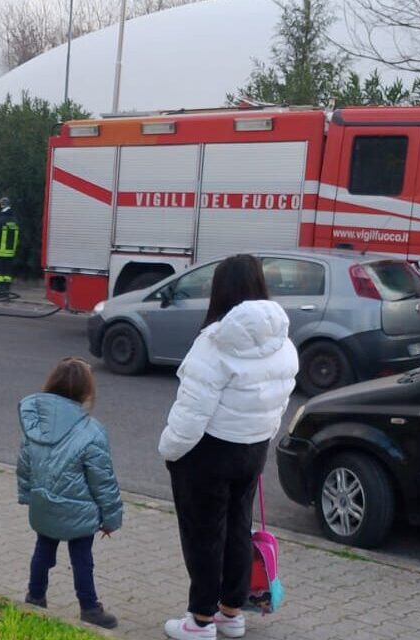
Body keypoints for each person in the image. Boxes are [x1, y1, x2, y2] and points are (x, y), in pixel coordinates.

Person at [157, 254, 298, 640]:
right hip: (251, 449)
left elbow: (191, 413)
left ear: (220, 290)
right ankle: (231, 614)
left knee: (204, 534)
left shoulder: (215, 343)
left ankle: (199, 621)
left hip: (207, 454)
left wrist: (169, 450)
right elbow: (281, 399)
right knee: (238, 528)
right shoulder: (283, 342)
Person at [17, 357, 123, 630]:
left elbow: (25, 464)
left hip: (43, 504)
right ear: (86, 392)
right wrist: (111, 518)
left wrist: (27, 495)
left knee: (42, 552)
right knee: (82, 560)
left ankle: (35, 597)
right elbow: (103, 481)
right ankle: (89, 608)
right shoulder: (92, 432)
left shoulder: (35, 424)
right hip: (80, 512)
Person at [0, 196, 19, 298]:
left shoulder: (0, 221)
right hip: (10, 252)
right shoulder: (14, 221)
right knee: (7, 274)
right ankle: (6, 291)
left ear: (1, 206)